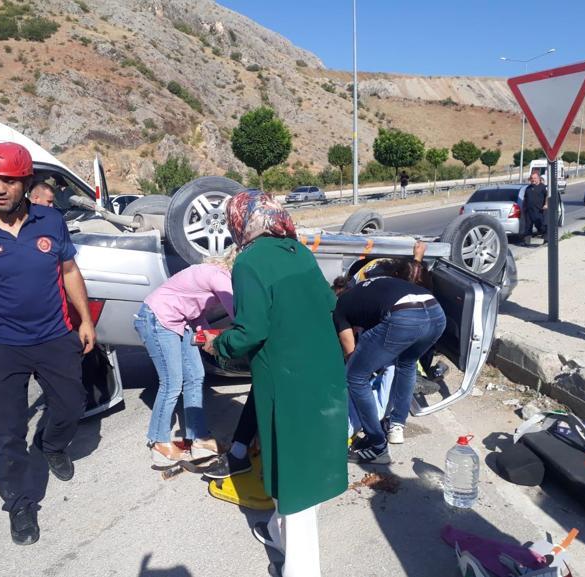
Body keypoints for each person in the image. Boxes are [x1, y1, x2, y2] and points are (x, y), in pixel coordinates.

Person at [0, 142, 96, 546]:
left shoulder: (51, 220)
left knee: (71, 404)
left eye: (9, 181)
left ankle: (51, 444)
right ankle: (19, 503)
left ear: (26, 183)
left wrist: (84, 320)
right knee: (7, 431)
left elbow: (69, 271)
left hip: (54, 336)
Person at [203, 190, 347, 577]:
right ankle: (274, 528)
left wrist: (219, 344)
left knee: (296, 477)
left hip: (289, 383)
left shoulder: (249, 262)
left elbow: (251, 330)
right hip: (328, 375)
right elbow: (330, 305)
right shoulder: (299, 251)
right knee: (312, 466)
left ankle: (300, 569)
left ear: (241, 221)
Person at [135, 248, 237, 468]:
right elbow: (237, 313)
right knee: (172, 383)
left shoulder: (215, 273)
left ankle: (198, 437)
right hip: (157, 318)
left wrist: (207, 337)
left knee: (196, 376)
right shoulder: (220, 276)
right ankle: (159, 440)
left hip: (181, 320)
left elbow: (194, 308)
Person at [336, 271, 446, 464]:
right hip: (436, 312)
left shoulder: (340, 306)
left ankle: (377, 445)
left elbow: (350, 351)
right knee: (407, 363)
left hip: (405, 317)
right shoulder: (369, 287)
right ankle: (396, 426)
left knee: (355, 376)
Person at [522, 172, 548, 246]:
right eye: (532, 178)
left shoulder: (543, 187)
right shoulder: (528, 188)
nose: (533, 180)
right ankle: (526, 242)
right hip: (529, 211)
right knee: (528, 227)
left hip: (539, 210)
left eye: (535, 178)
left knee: (541, 226)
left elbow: (547, 196)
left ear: (539, 178)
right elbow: (525, 199)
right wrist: (524, 209)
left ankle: (547, 240)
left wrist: (546, 204)